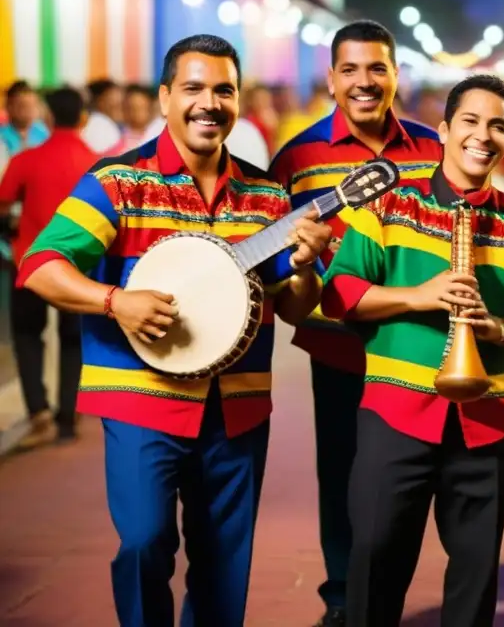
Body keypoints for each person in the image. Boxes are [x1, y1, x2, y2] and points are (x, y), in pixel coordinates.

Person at [17, 34, 333, 627]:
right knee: (143, 541)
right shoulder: (119, 181)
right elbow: (41, 266)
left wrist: (305, 266)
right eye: (192, 88)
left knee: (223, 562)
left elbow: (294, 308)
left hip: (236, 406)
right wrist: (115, 301)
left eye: (224, 90)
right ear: (164, 98)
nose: (208, 103)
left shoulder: (267, 197)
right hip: (142, 403)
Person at [322, 73, 504, 626]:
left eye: (498, 126)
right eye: (471, 122)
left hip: (487, 422)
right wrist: (417, 296)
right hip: (395, 416)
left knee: (476, 581)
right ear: (446, 130)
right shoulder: (388, 206)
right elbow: (340, 293)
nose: (484, 136)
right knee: (376, 561)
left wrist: (498, 328)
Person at [269, 19, 442, 627]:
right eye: (351, 70)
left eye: (377, 69)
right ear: (332, 78)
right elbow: (272, 254)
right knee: (340, 471)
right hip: (337, 344)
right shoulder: (296, 158)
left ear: (397, 75)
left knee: (413, 478)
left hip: (417, 344)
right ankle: (342, 596)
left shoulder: (434, 150)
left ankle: (386, 589)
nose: (365, 82)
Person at [0, 86, 96, 447]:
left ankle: (39, 411)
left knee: (27, 337)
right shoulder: (97, 163)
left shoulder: (27, 160)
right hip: (78, 266)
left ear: (49, 117)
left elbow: (3, 201)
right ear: (83, 118)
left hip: (30, 264)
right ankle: (68, 417)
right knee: (73, 340)